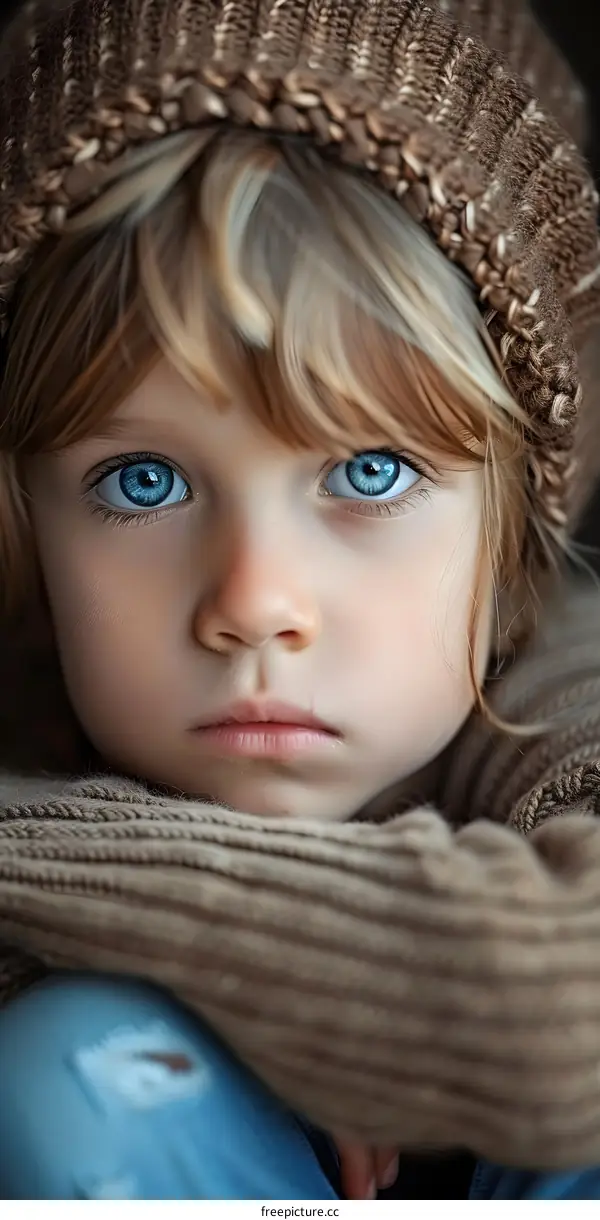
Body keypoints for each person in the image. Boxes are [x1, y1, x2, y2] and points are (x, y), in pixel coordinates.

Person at [1, 0, 600, 1201]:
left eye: (369, 471)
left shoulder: (569, 692)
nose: (255, 603)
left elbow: (563, 1015)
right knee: (61, 1068)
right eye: (144, 478)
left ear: (514, 522)